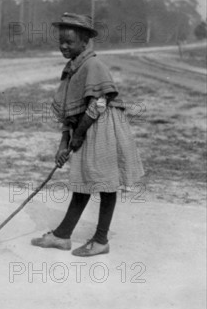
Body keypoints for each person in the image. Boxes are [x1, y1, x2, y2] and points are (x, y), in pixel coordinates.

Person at [31, 13, 145, 256]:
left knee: (106, 183)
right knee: (82, 181)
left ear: (84, 43)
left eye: (69, 42)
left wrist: (79, 135)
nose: (63, 46)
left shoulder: (93, 65)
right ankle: (63, 236)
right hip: (84, 126)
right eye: (61, 41)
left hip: (103, 127)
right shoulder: (72, 68)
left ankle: (101, 240)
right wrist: (64, 143)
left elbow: (100, 103)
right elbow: (69, 113)